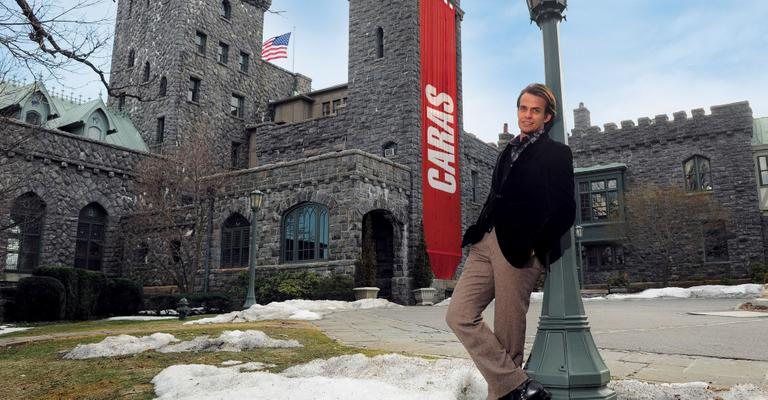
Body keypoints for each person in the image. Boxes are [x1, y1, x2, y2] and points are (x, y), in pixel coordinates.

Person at [446, 83, 575, 400]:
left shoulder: (556, 154)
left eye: (535, 110)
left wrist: (535, 245)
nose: (527, 115)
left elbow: (565, 209)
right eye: (523, 108)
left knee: (507, 335)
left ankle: (507, 392)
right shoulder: (507, 150)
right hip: (486, 241)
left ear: (547, 117)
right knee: (459, 314)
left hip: (519, 249)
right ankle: (519, 386)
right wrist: (479, 231)